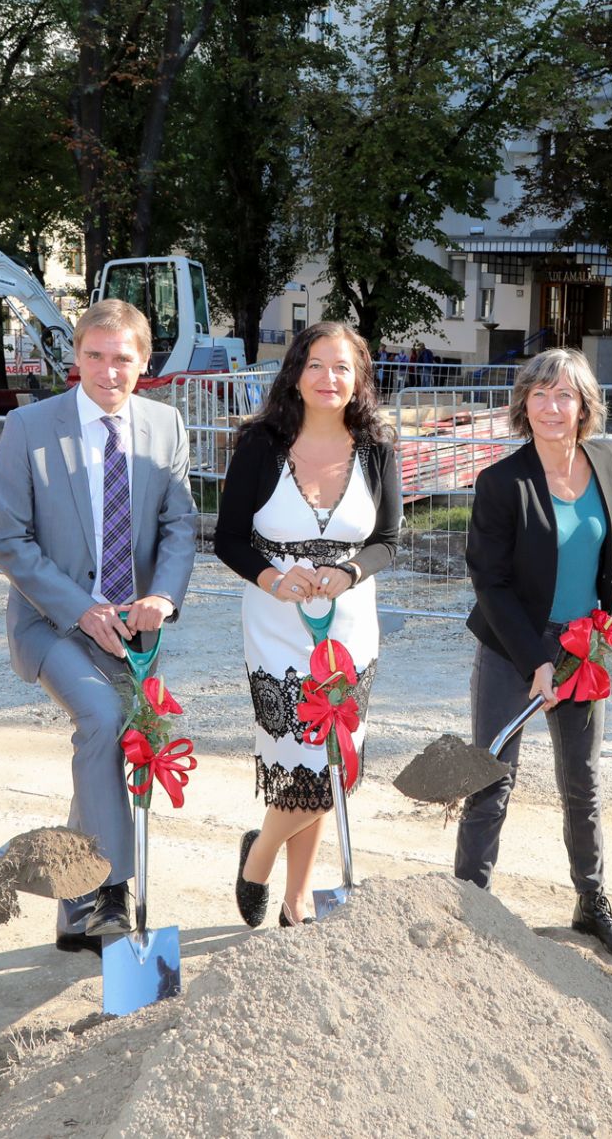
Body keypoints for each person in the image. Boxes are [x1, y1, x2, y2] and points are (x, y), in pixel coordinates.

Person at [0, 299, 197, 951]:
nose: (109, 371)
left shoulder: (165, 427)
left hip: (132, 633)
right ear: (76, 357)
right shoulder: (28, 428)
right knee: (104, 721)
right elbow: (10, 541)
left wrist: (161, 596)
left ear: (145, 364)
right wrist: (79, 608)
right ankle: (112, 892)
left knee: (110, 750)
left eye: (123, 359)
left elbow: (178, 524)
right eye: (95, 356)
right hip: (52, 626)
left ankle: (72, 906)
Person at [455, 347, 612, 958]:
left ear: (584, 404)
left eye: (564, 394)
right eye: (538, 394)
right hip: (514, 647)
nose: (551, 406)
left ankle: (590, 904)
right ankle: (469, 905)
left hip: (584, 649)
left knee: (582, 782)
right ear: (523, 404)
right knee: (492, 777)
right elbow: (490, 582)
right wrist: (535, 657)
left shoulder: (608, 460)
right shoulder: (501, 482)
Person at [214, 322, 402, 926]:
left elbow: (390, 542)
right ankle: (263, 859)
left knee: (333, 760)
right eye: (316, 365)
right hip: (274, 629)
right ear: (296, 371)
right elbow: (227, 540)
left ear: (359, 378)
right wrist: (272, 577)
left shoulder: (377, 449)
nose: (329, 378)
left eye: (342, 367)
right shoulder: (260, 445)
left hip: (349, 633)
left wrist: (347, 573)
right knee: (298, 759)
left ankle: (289, 891)